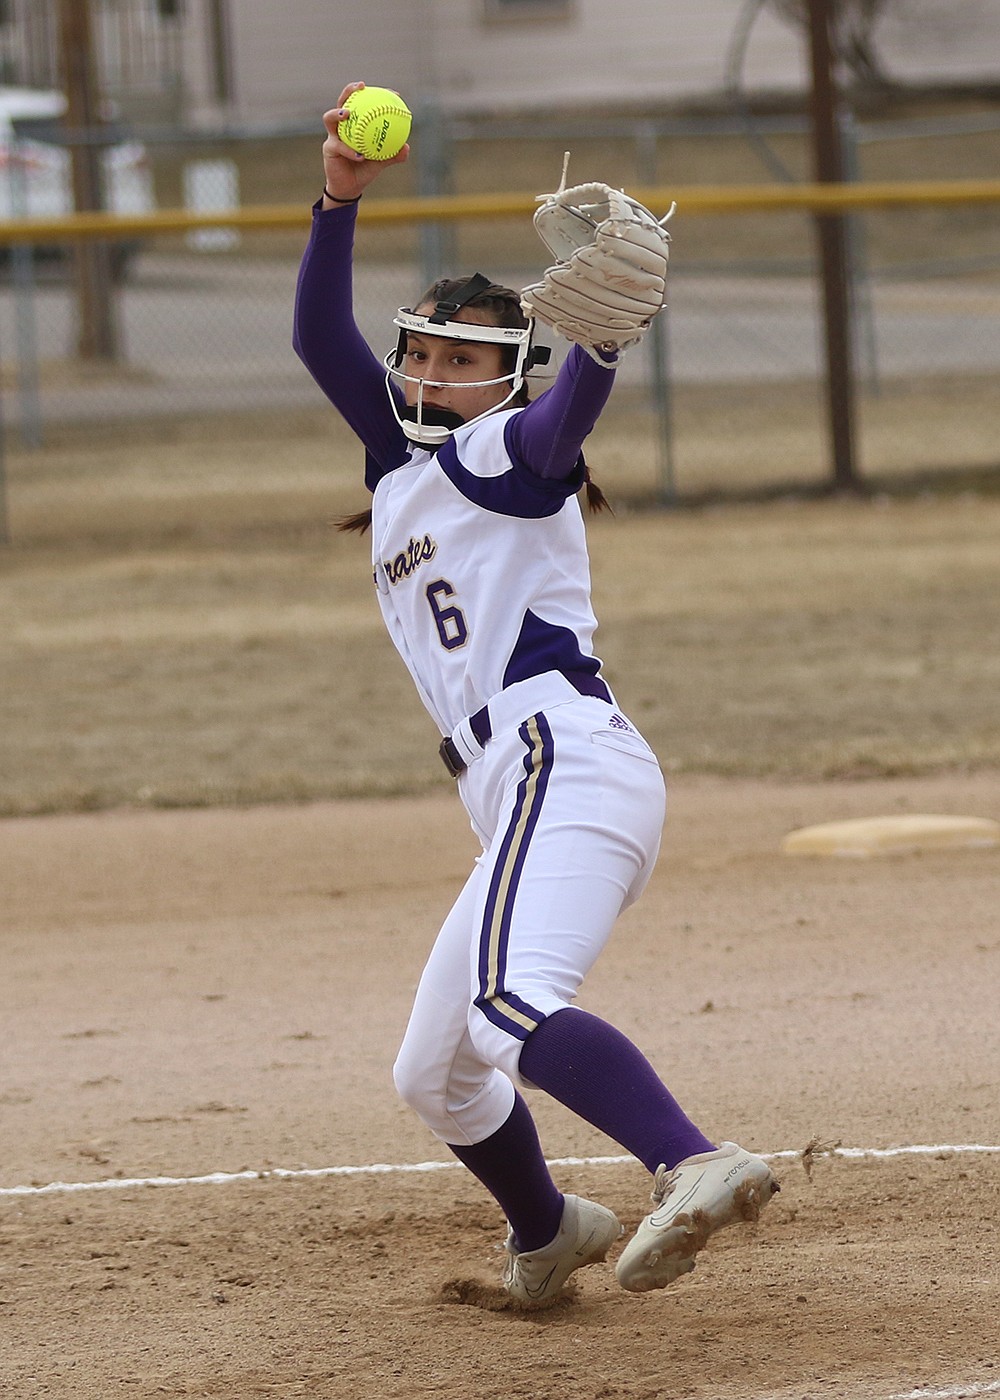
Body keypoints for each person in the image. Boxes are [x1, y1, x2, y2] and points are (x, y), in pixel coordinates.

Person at [294, 81, 779, 1307]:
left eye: (461, 361)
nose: (427, 373)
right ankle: (549, 1228)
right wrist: (337, 201)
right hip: (514, 789)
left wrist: (602, 346)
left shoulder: (506, 451)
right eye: (419, 352)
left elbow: (568, 412)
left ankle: (692, 1158)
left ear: (503, 381)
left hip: (564, 758)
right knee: (438, 1071)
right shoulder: (403, 471)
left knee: (512, 1005)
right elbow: (317, 341)